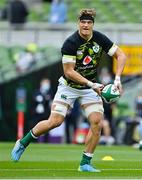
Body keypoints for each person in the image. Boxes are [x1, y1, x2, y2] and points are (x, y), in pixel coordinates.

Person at [11, 9, 126, 172]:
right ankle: (23, 142)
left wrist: (117, 79)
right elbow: (69, 72)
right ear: (78, 23)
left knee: (97, 122)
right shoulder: (71, 43)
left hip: (89, 88)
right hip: (69, 86)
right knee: (55, 121)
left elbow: (121, 55)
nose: (86, 25)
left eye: (89, 22)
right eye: (83, 22)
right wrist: (91, 84)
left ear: (93, 24)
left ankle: (85, 163)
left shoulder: (100, 38)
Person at [30, 78, 53, 143]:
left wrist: (43, 98)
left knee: (47, 126)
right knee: (35, 126)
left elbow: (49, 100)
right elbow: (33, 100)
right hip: (37, 113)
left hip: (45, 113)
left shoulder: (49, 92)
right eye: (45, 83)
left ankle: (46, 141)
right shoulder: (36, 91)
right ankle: (35, 141)